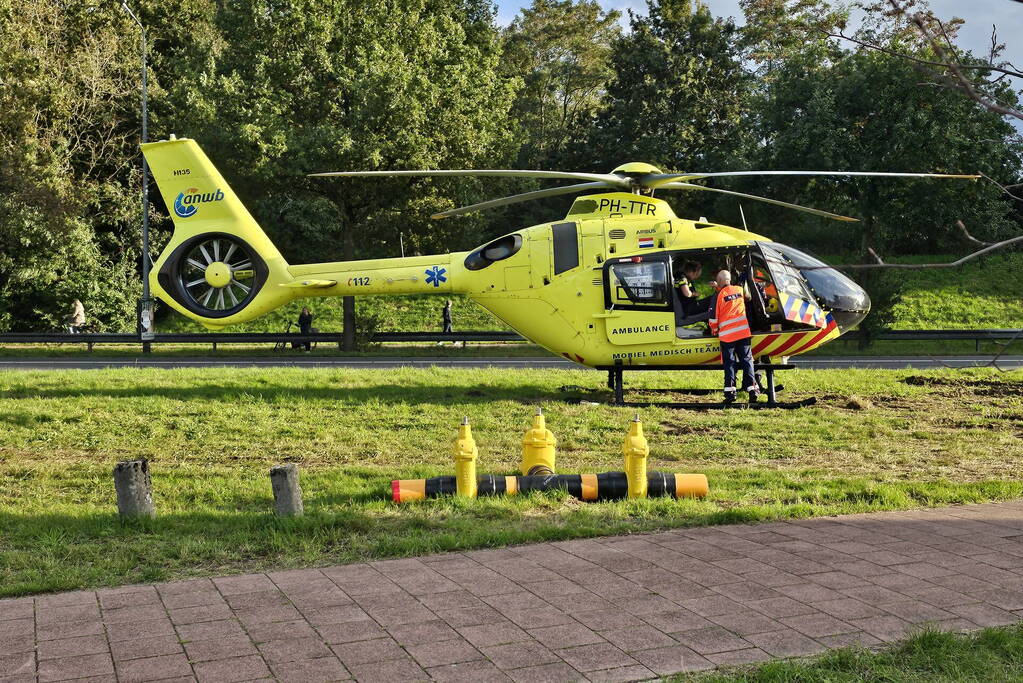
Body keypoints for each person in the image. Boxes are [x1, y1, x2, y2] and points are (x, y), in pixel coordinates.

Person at [709, 271, 759, 403]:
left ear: (719, 282)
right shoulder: (740, 290)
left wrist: (714, 331)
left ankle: (730, 393)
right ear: (730, 280)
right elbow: (748, 298)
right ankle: (753, 389)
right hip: (743, 333)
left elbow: (713, 319)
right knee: (747, 360)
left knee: (729, 363)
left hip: (727, 337)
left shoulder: (719, 296)